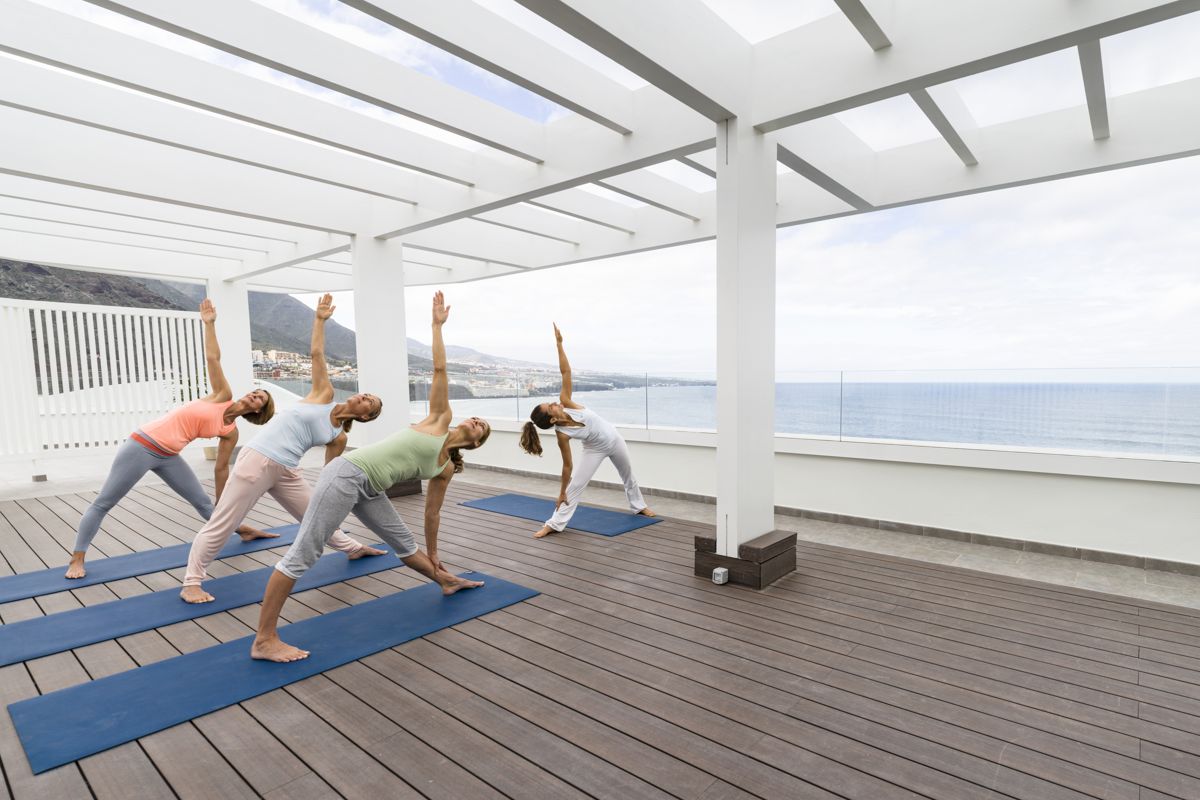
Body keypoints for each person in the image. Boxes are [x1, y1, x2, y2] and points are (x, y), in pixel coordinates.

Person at [251, 291, 490, 662]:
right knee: (305, 552)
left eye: (484, 427)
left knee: (406, 545)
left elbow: (432, 513)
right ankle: (264, 639)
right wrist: (436, 326)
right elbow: (439, 370)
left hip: (369, 488)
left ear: (475, 444)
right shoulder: (439, 420)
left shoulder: (444, 468)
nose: (477, 421)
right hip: (347, 473)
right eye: (478, 417)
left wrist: (436, 555)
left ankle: (445, 580)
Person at [180, 294, 386, 603]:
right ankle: (191, 582)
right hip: (259, 459)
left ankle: (353, 549)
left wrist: (336, 497)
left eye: (370, 402)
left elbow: (331, 473)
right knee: (225, 521)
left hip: (287, 470)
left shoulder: (338, 436)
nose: (365, 396)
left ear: (366, 415)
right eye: (367, 394)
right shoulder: (323, 393)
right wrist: (319, 319)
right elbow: (316, 353)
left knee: (317, 515)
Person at [66, 299, 274, 579]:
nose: (254, 394)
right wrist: (209, 325)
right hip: (141, 446)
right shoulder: (221, 396)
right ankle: (77, 558)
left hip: (168, 456)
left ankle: (242, 530)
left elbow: (221, 468)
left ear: (259, 410)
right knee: (105, 502)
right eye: (255, 391)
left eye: (259, 397)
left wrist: (224, 501)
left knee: (203, 503)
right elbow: (213, 359)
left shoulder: (230, 431)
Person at [519, 323, 655, 538]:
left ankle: (638, 506)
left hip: (615, 438)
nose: (555, 401)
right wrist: (562, 491)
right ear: (553, 418)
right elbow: (567, 467)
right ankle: (554, 523)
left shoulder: (567, 402)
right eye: (550, 405)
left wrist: (559, 344)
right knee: (576, 486)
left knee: (628, 474)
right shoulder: (562, 434)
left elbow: (566, 371)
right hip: (595, 449)